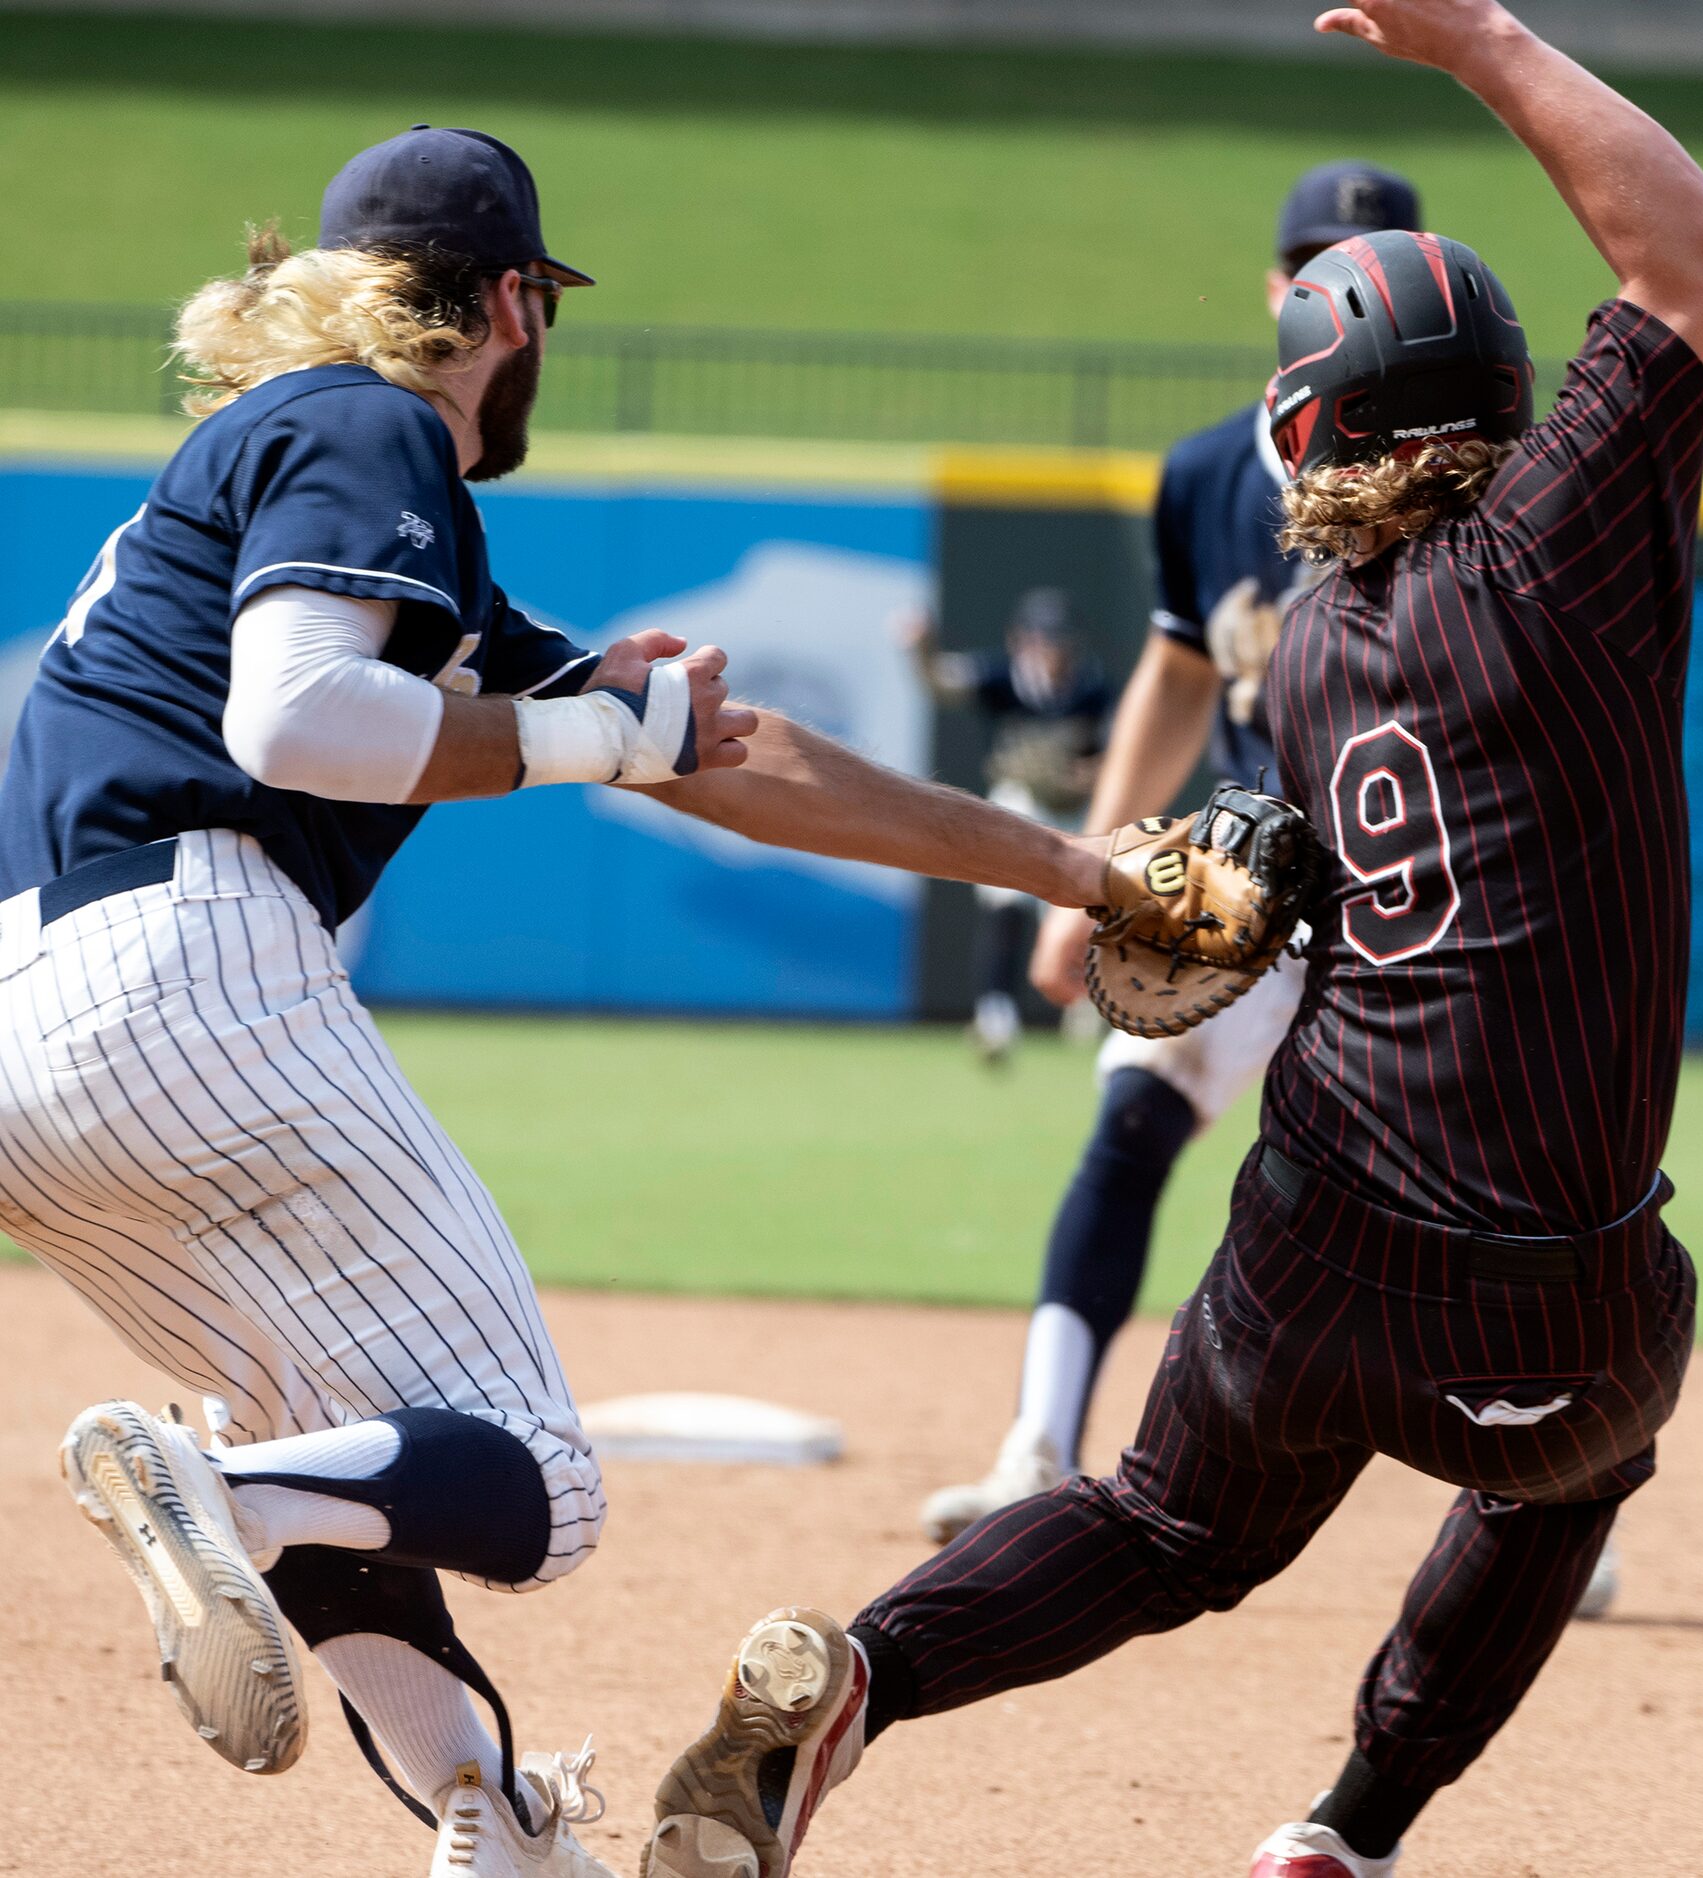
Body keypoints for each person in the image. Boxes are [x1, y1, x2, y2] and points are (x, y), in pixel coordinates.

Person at [638, 4, 1703, 1875]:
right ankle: (1348, 1827)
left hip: (1323, 1232)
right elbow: (1697, 255)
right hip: (1561, 1283)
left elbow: (1276, 857)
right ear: (1491, 402)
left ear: (1302, 426)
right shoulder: (1558, 543)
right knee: (1578, 1450)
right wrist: (1478, 36)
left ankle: (864, 1674)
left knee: (1166, 1523)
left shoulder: (1308, 645)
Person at [0, 128, 1113, 1878]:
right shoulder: (369, 426)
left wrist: (1074, 869)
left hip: (35, 1042)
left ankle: (489, 1821)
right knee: (535, 1477)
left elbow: (737, 762)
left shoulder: (302, 478)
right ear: (512, 301)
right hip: (187, 967)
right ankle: (207, 1495)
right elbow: (295, 727)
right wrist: (588, 735)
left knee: (340, 1468)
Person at [919, 159, 1420, 1538]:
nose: (1341, 284)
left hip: (1420, 878)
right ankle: (1033, 1447)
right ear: (1276, 290)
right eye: (1318, 263)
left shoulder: (1457, 475)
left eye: (1373, 261)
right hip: (1250, 863)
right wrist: (1085, 868)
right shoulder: (1209, 472)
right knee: (1129, 1104)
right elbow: (1175, 677)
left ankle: (1542, 1494)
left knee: (1451, 1189)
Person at [903, 586, 1113, 1063]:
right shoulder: (1005, 676)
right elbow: (940, 682)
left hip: (1074, 810)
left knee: (1085, 910)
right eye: (1044, 639)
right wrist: (920, 647)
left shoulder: (1091, 687)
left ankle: (1089, 1006)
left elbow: (1111, 753)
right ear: (1022, 640)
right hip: (1021, 803)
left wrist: (1091, 771)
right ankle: (996, 1017)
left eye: (1060, 640)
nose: (1053, 650)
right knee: (1007, 905)